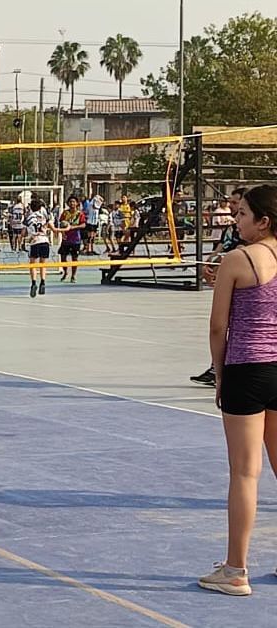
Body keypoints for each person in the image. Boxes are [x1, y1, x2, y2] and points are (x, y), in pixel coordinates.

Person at [198, 184, 277, 596]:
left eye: (244, 213)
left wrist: (220, 371)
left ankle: (235, 569)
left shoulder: (238, 259)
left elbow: (217, 325)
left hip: (248, 368)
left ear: (263, 221)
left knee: (245, 472)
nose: (236, 219)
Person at [192, 187, 248, 387]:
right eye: (231, 203)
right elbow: (220, 248)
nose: (231, 206)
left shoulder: (250, 236)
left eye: (236, 204)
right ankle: (217, 367)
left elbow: (240, 252)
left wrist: (221, 264)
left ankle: (222, 369)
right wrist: (209, 265)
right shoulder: (232, 228)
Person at [24, 197, 51, 298]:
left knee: (32, 264)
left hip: (34, 241)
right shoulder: (44, 216)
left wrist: (25, 235)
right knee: (43, 264)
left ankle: (34, 283)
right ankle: (43, 282)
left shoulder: (29, 218)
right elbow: (50, 225)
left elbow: (23, 232)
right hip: (44, 240)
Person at [58, 195, 86, 283]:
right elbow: (61, 224)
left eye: (74, 201)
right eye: (70, 202)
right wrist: (62, 233)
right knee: (63, 257)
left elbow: (83, 225)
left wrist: (73, 227)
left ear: (77, 203)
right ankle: (65, 272)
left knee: (75, 258)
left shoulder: (80, 214)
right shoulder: (65, 213)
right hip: (66, 239)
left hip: (75, 239)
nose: (72, 203)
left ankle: (73, 275)